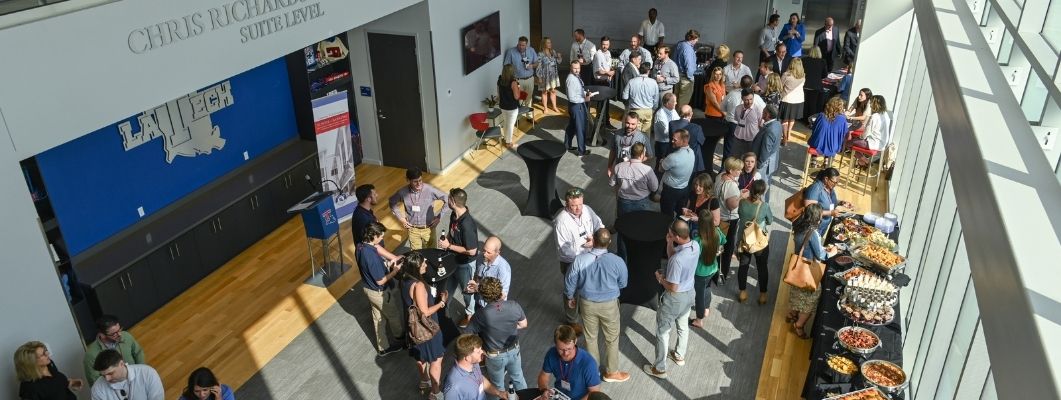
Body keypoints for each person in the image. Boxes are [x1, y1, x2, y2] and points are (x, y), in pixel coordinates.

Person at [564, 228, 630, 383]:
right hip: (610, 305)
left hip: (587, 304)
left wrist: (570, 296)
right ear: (610, 242)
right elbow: (623, 283)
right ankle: (612, 372)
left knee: (590, 337)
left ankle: (593, 372)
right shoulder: (617, 261)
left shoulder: (580, 260)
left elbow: (570, 280)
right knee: (612, 338)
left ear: (593, 239)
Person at [644, 220, 700, 379]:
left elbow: (673, 287)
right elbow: (673, 255)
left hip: (675, 298)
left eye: (670, 234)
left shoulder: (677, 261)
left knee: (663, 332)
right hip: (690, 293)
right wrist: (670, 243)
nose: (667, 235)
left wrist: (660, 278)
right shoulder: (695, 245)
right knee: (683, 326)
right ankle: (679, 355)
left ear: (676, 235)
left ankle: (660, 368)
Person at [463, 277, 528, 396]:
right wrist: (512, 327)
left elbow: (467, 335)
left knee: (497, 386)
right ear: (500, 290)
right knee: (518, 378)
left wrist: (480, 349)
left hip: (494, 356)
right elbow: (523, 324)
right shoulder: (514, 305)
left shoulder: (481, 315)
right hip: (514, 350)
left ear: (483, 296)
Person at [554, 187, 604, 335]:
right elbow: (564, 250)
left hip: (590, 257)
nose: (578, 209)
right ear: (566, 205)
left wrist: (595, 239)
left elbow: (599, 225)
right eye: (574, 206)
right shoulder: (561, 221)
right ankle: (572, 320)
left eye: (580, 204)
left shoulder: (587, 210)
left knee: (588, 285)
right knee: (571, 290)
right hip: (572, 262)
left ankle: (586, 309)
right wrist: (584, 247)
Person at [401, 252, 448, 398]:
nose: (426, 265)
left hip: (413, 328)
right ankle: (435, 392)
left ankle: (424, 381)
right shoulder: (419, 285)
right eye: (423, 264)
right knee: (436, 360)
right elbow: (425, 312)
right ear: (416, 268)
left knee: (420, 357)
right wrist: (442, 303)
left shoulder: (403, 280)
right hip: (427, 330)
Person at [356, 222, 405, 356]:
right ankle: (401, 339)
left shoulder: (360, 246)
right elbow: (380, 280)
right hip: (380, 292)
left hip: (368, 289)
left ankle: (383, 347)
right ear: (373, 235)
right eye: (380, 236)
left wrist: (388, 262)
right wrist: (395, 270)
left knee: (378, 319)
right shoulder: (370, 256)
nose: (382, 239)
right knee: (393, 315)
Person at [438, 187, 479, 327]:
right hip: (453, 260)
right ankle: (443, 313)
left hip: (465, 264)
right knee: (447, 287)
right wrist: (446, 243)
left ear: (453, 201)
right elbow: (451, 232)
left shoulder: (467, 224)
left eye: (448, 198)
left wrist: (448, 246)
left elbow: (472, 251)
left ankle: (470, 315)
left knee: (467, 291)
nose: (446, 200)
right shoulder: (454, 215)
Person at [787, 203, 828, 339]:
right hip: (808, 272)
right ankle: (798, 325)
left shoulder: (799, 225)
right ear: (817, 218)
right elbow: (820, 255)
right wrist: (831, 251)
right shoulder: (812, 232)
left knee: (797, 295)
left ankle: (792, 314)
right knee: (811, 301)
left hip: (797, 268)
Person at [389, 167, 449, 250]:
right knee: (416, 256)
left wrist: (439, 217)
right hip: (413, 230)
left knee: (431, 253)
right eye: (415, 181)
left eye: (420, 180)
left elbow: (447, 199)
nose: (419, 184)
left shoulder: (429, 190)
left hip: (428, 229)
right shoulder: (402, 192)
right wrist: (401, 218)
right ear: (408, 180)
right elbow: (392, 202)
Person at [538, 325, 602, 399]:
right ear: (555, 344)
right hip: (558, 396)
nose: (566, 353)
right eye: (561, 349)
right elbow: (543, 376)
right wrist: (544, 390)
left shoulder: (589, 364)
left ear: (575, 341)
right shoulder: (551, 353)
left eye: (569, 349)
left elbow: (594, 393)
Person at [735, 180, 772, 305]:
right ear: (762, 192)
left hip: (744, 240)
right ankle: (762, 295)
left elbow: (740, 215)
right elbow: (770, 221)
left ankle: (742, 293)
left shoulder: (742, 203)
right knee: (762, 268)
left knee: (743, 266)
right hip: (759, 242)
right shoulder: (764, 206)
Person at [83, 315, 146, 387]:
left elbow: (138, 353)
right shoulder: (91, 355)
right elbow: (94, 380)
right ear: (102, 335)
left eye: (119, 330)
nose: (119, 334)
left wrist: (141, 372)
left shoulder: (126, 336)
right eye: (114, 334)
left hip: (135, 379)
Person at [444, 334, 509, 400]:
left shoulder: (474, 363)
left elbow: (480, 379)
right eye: (478, 352)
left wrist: (499, 393)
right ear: (467, 358)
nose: (482, 352)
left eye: (481, 349)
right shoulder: (454, 387)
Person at [689, 208, 724, 328]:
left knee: (699, 296)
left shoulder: (698, 241)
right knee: (708, 288)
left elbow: (692, 258)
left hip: (700, 273)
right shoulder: (717, 232)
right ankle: (707, 309)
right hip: (713, 269)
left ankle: (699, 319)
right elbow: (724, 241)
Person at [15, 341, 83, 400]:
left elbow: (54, 384)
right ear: (31, 362)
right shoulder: (29, 388)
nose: (47, 354)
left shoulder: (49, 364)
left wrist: (70, 383)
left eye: (45, 351)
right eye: (43, 355)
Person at [713, 157, 745, 284]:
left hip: (718, 216)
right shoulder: (731, 185)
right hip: (728, 219)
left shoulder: (720, 176)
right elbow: (732, 205)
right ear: (731, 170)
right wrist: (741, 196)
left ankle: (714, 272)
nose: (740, 172)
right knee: (726, 248)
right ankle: (721, 274)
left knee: (717, 245)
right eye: (738, 170)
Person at [89, 349, 164, 400]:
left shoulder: (147, 373)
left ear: (121, 364)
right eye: (103, 375)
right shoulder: (97, 389)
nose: (107, 379)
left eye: (110, 373)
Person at [803, 168, 853, 237]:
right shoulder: (815, 189)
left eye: (837, 182)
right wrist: (830, 213)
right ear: (826, 179)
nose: (836, 184)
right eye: (834, 182)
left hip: (823, 226)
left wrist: (841, 202)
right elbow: (810, 211)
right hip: (812, 229)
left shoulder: (829, 187)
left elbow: (828, 202)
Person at [466, 237, 512, 307]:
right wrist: (473, 285)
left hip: (492, 307)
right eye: (484, 250)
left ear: (497, 253)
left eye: (489, 252)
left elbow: (502, 296)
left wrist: (478, 289)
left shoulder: (504, 269)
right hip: (479, 302)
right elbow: (477, 275)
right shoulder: (480, 257)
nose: (484, 254)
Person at [658, 129, 694, 218]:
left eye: (675, 140)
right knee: (681, 214)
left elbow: (660, 169)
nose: (672, 141)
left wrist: (661, 161)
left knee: (666, 215)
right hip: (684, 189)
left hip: (670, 192)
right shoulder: (692, 152)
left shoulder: (673, 157)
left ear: (684, 141)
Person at [848, 95, 892, 168]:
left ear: (875, 104)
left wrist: (860, 137)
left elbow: (866, 133)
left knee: (848, 143)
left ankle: (865, 160)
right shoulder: (885, 115)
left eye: (871, 103)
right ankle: (862, 162)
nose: (870, 105)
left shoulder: (874, 116)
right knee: (855, 141)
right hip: (882, 144)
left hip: (872, 143)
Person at [752, 105, 782, 202]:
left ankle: (762, 209)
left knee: (761, 189)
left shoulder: (770, 130)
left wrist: (758, 167)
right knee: (766, 186)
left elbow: (765, 151)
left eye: (763, 111)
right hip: (771, 163)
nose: (762, 113)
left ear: (767, 114)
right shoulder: (777, 124)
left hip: (764, 165)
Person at [807, 96, 849, 166]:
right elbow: (844, 133)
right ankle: (826, 161)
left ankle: (813, 160)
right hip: (833, 146)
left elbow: (814, 128)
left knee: (819, 137)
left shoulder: (821, 115)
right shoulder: (842, 119)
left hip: (817, 144)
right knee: (832, 139)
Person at [564, 61, 594, 157]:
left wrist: (585, 93)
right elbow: (572, 97)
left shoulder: (575, 77)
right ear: (570, 68)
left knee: (572, 126)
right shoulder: (571, 79)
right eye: (575, 68)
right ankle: (582, 151)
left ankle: (567, 145)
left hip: (576, 105)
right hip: (577, 106)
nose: (577, 70)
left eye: (578, 68)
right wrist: (584, 99)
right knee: (581, 128)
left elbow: (579, 90)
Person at [503, 36, 539, 112]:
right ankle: (518, 117)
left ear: (526, 45)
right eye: (519, 44)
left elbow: (537, 63)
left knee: (528, 98)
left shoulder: (531, 50)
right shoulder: (511, 52)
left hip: (529, 79)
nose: (520, 47)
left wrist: (532, 66)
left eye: (523, 45)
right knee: (518, 98)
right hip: (517, 80)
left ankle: (529, 116)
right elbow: (506, 66)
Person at [668, 105, 706, 174]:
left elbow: (671, 140)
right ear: (691, 114)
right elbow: (702, 142)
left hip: (676, 157)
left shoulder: (672, 124)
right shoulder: (697, 128)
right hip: (691, 160)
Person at [729, 88, 765, 161]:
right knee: (735, 160)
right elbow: (737, 121)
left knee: (748, 161)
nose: (749, 102)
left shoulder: (758, 109)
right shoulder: (738, 108)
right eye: (746, 100)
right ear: (742, 98)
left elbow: (760, 124)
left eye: (751, 99)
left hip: (751, 140)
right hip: (737, 138)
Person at [779, 58, 807, 146]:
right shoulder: (803, 76)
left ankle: (784, 138)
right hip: (799, 100)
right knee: (792, 118)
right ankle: (789, 134)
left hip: (787, 99)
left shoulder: (786, 75)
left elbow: (780, 86)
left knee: (785, 119)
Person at [624, 64, 659, 133]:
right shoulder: (653, 82)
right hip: (648, 110)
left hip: (635, 110)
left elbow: (624, 96)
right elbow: (656, 99)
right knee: (646, 133)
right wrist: (653, 109)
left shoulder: (631, 81)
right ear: (648, 71)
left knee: (635, 133)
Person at [673, 30, 700, 107]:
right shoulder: (688, 49)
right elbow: (689, 66)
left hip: (678, 76)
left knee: (676, 101)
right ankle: (681, 118)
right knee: (683, 104)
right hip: (686, 78)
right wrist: (690, 78)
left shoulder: (680, 44)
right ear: (692, 38)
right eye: (696, 39)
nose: (697, 41)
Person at [497, 64, 522, 149]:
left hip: (503, 106)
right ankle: (509, 143)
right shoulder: (513, 82)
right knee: (510, 125)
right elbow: (517, 97)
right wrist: (519, 88)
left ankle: (506, 139)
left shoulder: (500, 80)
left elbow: (498, 94)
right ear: (511, 72)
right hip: (512, 107)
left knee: (506, 123)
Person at [653, 93, 680, 167]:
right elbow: (665, 132)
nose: (676, 103)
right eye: (674, 101)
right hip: (663, 144)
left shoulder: (672, 110)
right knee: (661, 164)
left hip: (670, 141)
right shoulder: (660, 114)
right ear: (668, 103)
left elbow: (678, 122)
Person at [537, 37, 563, 114]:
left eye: (550, 42)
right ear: (544, 44)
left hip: (553, 76)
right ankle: (545, 108)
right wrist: (539, 77)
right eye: (548, 43)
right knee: (544, 92)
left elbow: (559, 62)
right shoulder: (540, 54)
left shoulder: (553, 52)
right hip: (544, 76)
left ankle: (554, 106)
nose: (550, 44)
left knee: (553, 91)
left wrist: (559, 56)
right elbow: (538, 66)